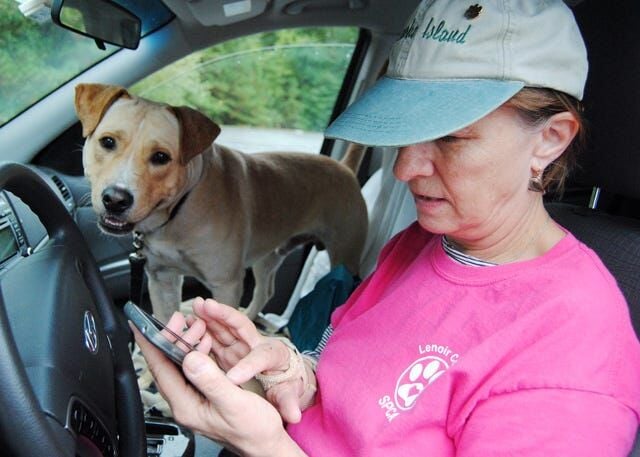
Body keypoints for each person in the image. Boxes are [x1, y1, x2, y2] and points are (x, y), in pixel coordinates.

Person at [134, 0, 640, 455]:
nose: (404, 170)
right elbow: (347, 396)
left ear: (549, 139)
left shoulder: (573, 350)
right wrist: (287, 374)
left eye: (449, 137)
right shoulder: (419, 243)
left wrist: (263, 446)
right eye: (402, 133)